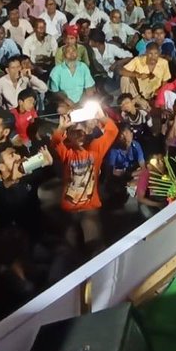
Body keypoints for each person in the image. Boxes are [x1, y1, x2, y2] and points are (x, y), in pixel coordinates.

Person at [50, 105, 118, 253]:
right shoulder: (67, 152)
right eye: (74, 132)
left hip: (89, 206)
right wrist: (62, 127)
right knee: (70, 247)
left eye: (82, 131)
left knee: (94, 243)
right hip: (70, 206)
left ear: (87, 132)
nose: (79, 135)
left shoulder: (95, 147)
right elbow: (55, 143)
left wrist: (101, 117)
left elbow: (112, 131)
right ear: (69, 135)